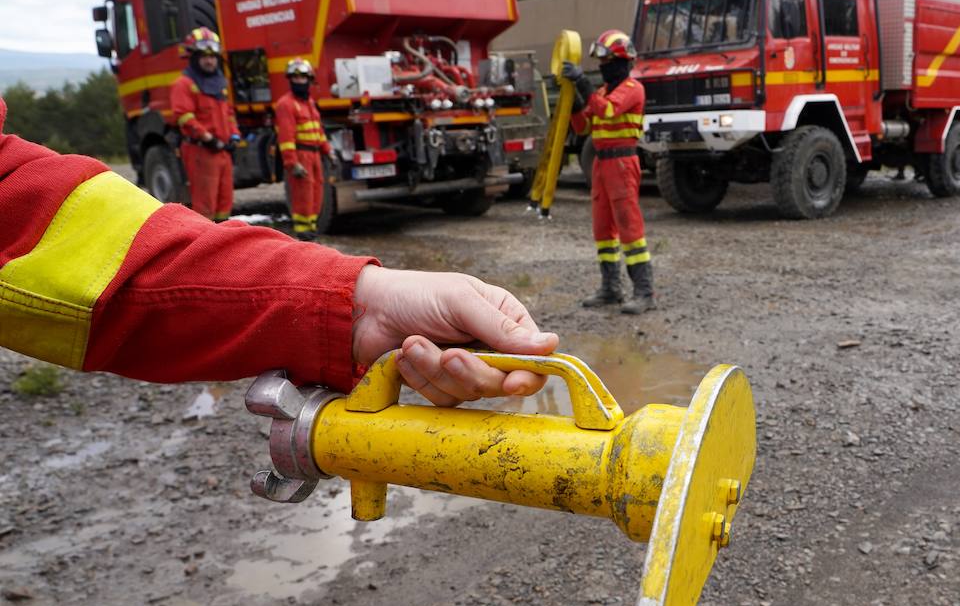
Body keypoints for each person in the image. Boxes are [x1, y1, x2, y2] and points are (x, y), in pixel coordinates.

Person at [0, 94, 557, 404]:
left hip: (276, 179)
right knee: (217, 205)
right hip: (213, 153)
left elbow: (106, 256)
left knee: (230, 210)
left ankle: (260, 232)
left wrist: (357, 301)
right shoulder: (212, 94)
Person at [561, 29, 655, 315]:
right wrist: (575, 99)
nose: (602, 66)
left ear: (622, 61)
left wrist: (582, 82)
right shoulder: (601, 91)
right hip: (601, 164)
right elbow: (583, 127)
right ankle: (611, 288)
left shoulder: (631, 89)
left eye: (607, 60)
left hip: (623, 163)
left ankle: (644, 292)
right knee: (602, 228)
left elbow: (608, 112)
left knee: (629, 227)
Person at [170, 28, 241, 220]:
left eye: (213, 56)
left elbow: (229, 113)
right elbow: (183, 116)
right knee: (205, 205)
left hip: (222, 151)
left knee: (225, 202)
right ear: (193, 57)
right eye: (204, 56)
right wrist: (207, 137)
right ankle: (204, 246)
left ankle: (221, 242)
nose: (210, 61)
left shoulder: (219, 84)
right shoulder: (184, 84)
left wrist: (234, 135)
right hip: (202, 151)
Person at [274, 59, 332, 239]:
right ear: (290, 80)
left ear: (309, 80)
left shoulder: (310, 103)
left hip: (314, 155)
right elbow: (286, 137)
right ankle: (304, 236)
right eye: (295, 78)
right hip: (301, 156)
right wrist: (292, 163)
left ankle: (311, 233)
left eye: (303, 77)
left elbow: (318, 130)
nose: (299, 81)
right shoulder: (286, 104)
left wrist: (327, 150)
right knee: (303, 198)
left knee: (316, 196)